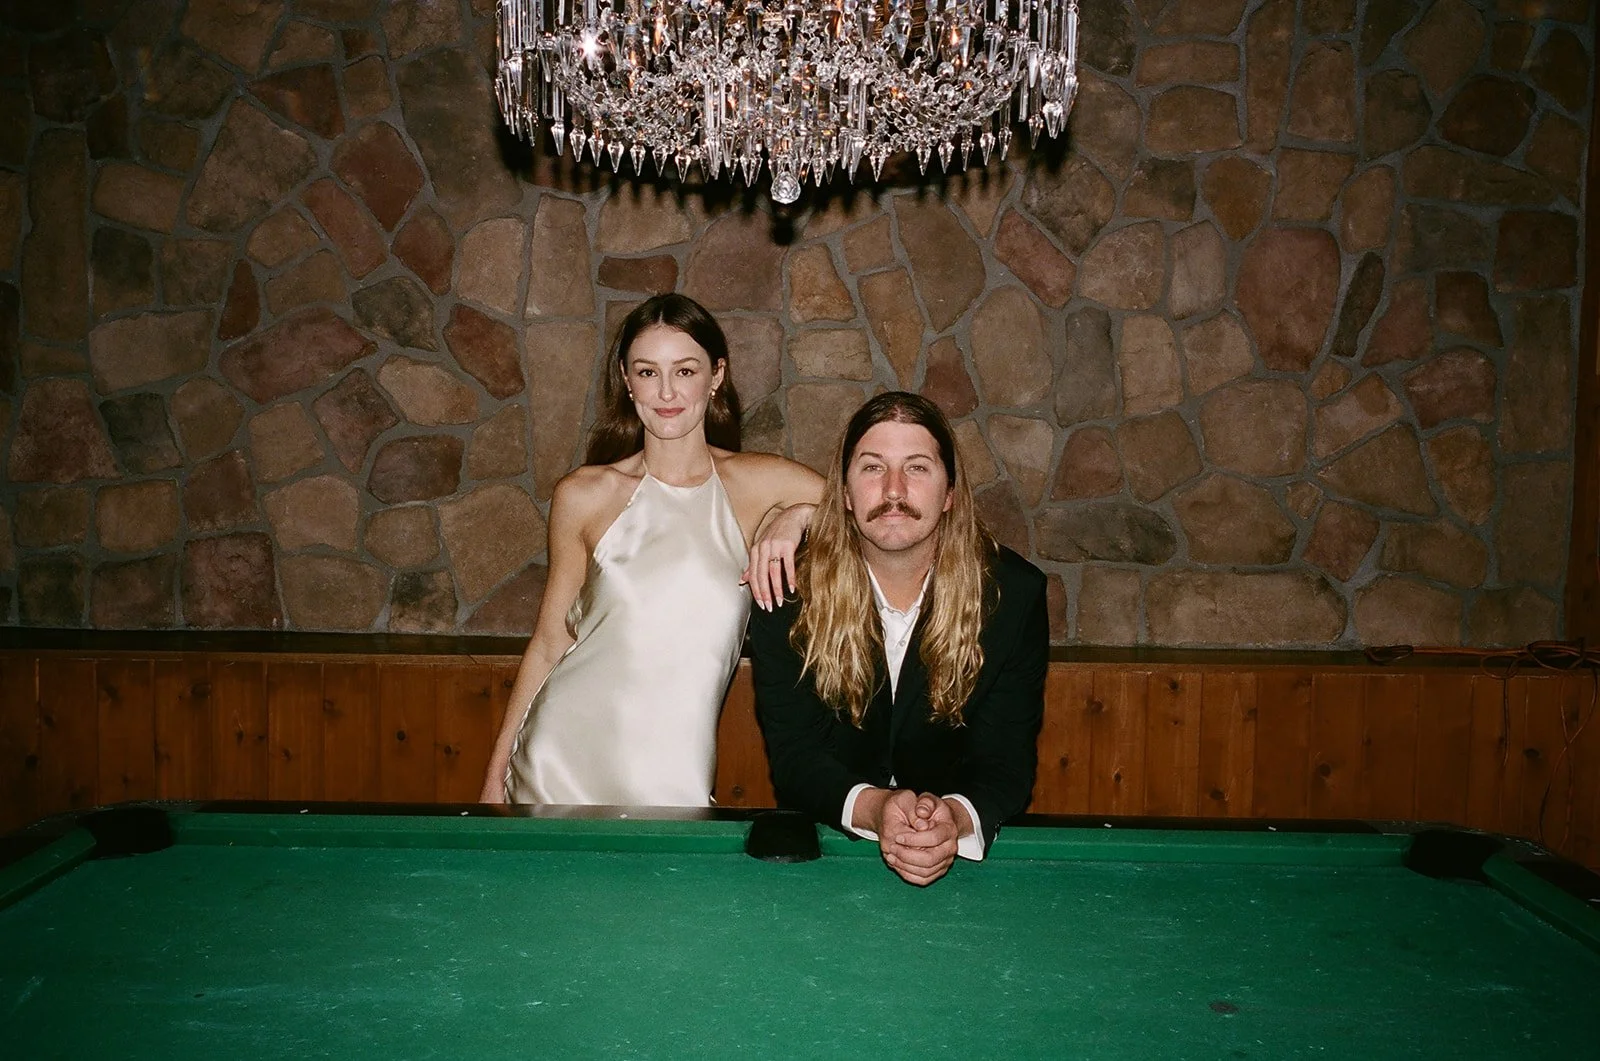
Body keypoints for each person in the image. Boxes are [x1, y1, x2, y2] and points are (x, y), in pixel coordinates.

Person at [480, 293, 822, 807]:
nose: (666, 392)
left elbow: (869, 512)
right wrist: (493, 779)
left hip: (674, 780)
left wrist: (798, 515)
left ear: (716, 376)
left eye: (685, 371)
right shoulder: (583, 495)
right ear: (626, 378)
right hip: (556, 765)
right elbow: (551, 641)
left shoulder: (758, 485)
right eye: (647, 372)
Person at [748, 391, 1048, 885]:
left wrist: (954, 818)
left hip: (955, 860)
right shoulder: (787, 588)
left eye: (917, 468)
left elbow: (1006, 760)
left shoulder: (1011, 594)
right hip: (826, 858)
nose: (893, 490)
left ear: (949, 491)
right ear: (844, 492)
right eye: (871, 468)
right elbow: (795, 756)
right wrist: (877, 808)